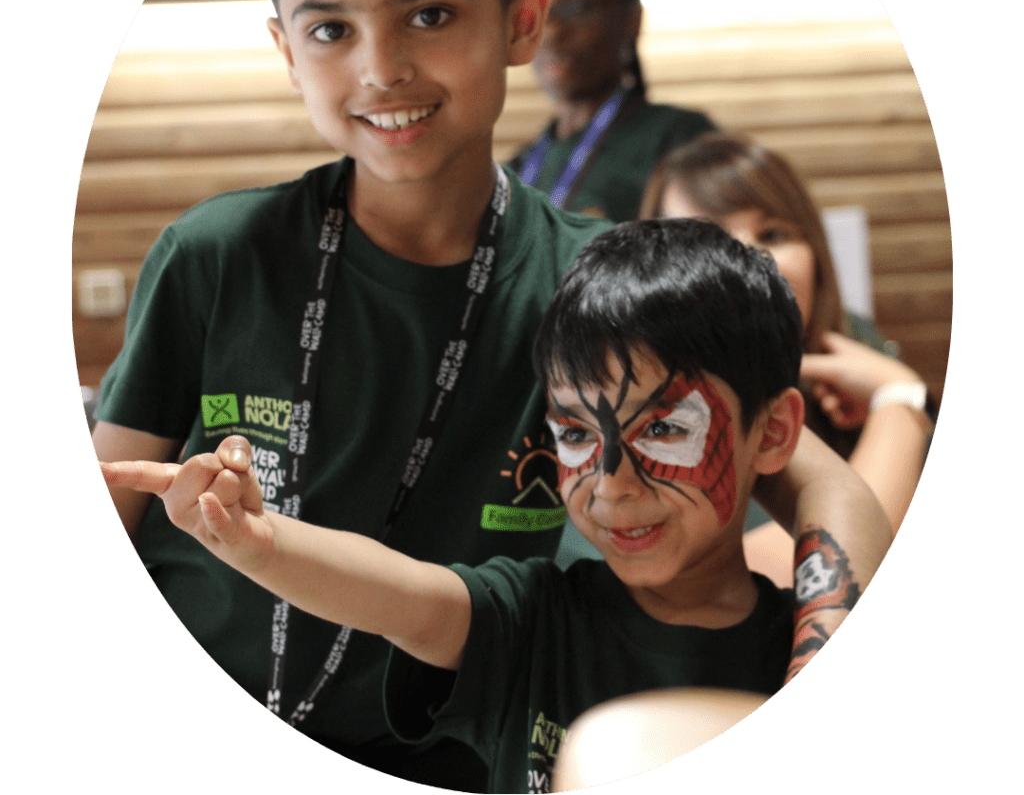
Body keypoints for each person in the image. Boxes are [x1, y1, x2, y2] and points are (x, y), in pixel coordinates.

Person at [91, 0, 605, 790]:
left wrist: (884, 414)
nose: (381, 68)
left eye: (430, 14)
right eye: (331, 29)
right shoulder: (216, 253)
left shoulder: (595, 284)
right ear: (286, 48)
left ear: (521, 22)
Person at [99, 219, 892, 795]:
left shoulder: (803, 644)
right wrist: (253, 541)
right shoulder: (533, 617)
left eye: (665, 428)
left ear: (776, 431)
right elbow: (396, 593)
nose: (611, 481)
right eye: (577, 434)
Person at [640, 134, 932, 578]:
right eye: (708, 236)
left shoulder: (855, 346)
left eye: (773, 233)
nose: (755, 257)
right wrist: (900, 400)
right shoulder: (647, 413)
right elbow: (816, 573)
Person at [506, 0, 713, 222]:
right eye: (533, 13)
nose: (551, 31)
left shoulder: (679, 140)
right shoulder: (520, 167)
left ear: (631, 20)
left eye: (575, 8)